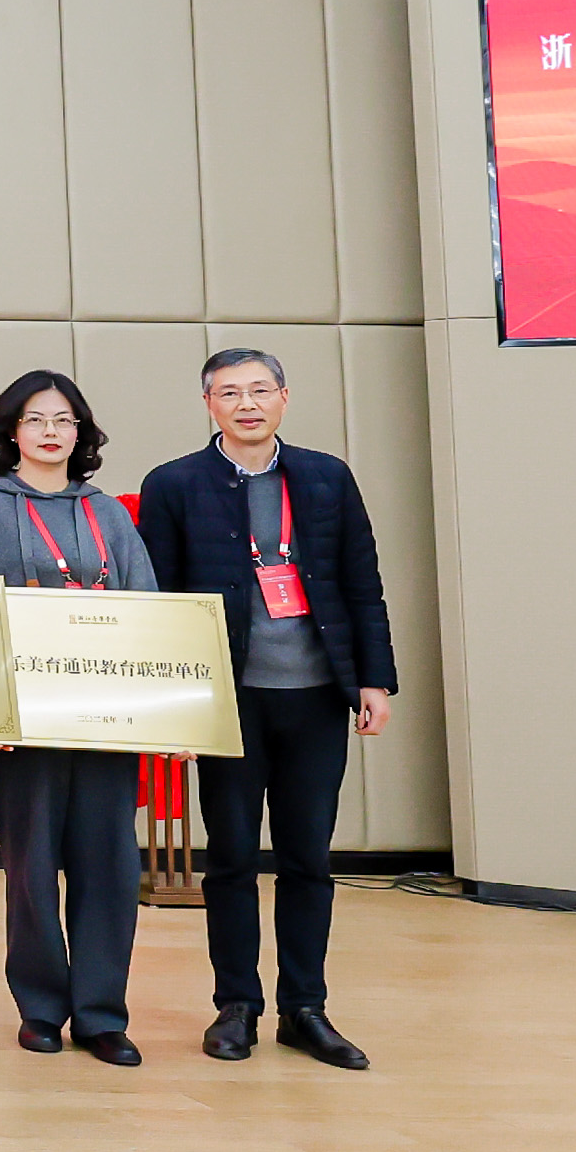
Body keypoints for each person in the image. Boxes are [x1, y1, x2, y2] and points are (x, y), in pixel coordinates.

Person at [137, 348, 393, 1072]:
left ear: (283, 397)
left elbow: (362, 582)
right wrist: (176, 704)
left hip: (316, 695)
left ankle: (305, 1008)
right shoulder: (174, 484)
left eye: (258, 390)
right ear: (208, 405)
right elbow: (160, 603)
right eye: (229, 393)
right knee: (230, 859)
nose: (245, 404)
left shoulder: (325, 476)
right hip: (229, 700)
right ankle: (236, 1005)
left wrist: (374, 680)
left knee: (308, 857)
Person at [0, 370, 158, 1069]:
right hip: (24, 722)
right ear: (10, 432)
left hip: (105, 719)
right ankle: (40, 1008)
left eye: (63, 420)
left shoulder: (108, 513)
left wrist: (158, 712)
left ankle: (102, 1014)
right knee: (31, 869)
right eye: (35, 420)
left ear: (81, 433)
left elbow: (146, 608)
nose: (49, 432)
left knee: (109, 868)